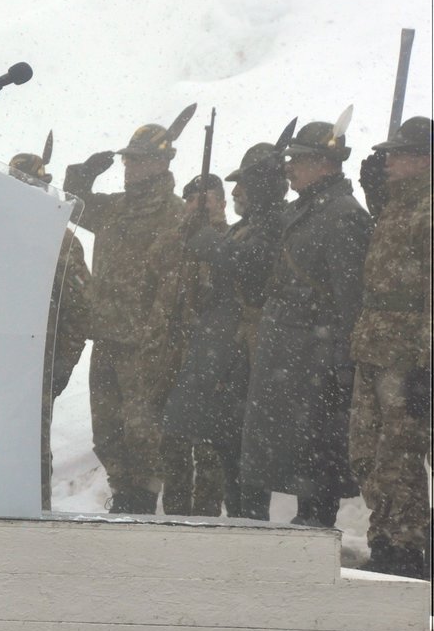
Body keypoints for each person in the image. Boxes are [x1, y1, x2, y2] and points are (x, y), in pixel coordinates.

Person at [239, 118, 372, 528]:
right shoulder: (303, 209)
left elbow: (349, 299)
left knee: (317, 448)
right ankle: (306, 523)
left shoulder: (343, 214)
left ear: (324, 163)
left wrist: (344, 361)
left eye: (297, 160)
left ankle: (315, 524)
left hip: (318, 352)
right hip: (292, 348)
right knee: (297, 447)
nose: (290, 168)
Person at [62, 111, 192, 514]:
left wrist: (162, 334)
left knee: (144, 430)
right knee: (107, 429)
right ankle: (124, 492)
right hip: (108, 333)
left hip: (147, 342)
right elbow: (73, 207)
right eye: (127, 159)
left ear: (161, 163)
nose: (128, 167)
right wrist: (81, 175)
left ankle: (143, 498)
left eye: (136, 159)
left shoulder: (177, 213)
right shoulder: (116, 209)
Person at [164, 143, 289, 519]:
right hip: (231, 354)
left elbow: (248, 265)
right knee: (229, 447)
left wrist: (205, 239)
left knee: (246, 453)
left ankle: (249, 526)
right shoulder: (247, 227)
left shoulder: (275, 224)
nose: (235, 192)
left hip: (253, 352)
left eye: (243, 184)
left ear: (263, 185)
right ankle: (240, 522)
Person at [349, 114, 434, 577]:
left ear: (424, 160)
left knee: (401, 454)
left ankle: (405, 548)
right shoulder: (396, 208)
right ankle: (387, 538)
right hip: (376, 349)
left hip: (410, 356)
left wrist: (432, 363)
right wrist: (375, 191)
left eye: (398, 154)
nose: (387, 160)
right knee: (369, 452)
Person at [9, 138, 90, 509]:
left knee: (34, 449)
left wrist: (60, 368)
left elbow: (78, 314)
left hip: (40, 364)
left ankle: (36, 517)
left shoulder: (62, 239)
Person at [149, 172, 230, 516]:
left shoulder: (230, 240)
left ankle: (207, 521)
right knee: (172, 445)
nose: (198, 205)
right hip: (172, 357)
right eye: (192, 199)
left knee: (210, 449)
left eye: (206, 198)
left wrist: (210, 230)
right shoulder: (171, 243)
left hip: (214, 358)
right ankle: (176, 519)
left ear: (222, 203)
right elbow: (149, 281)